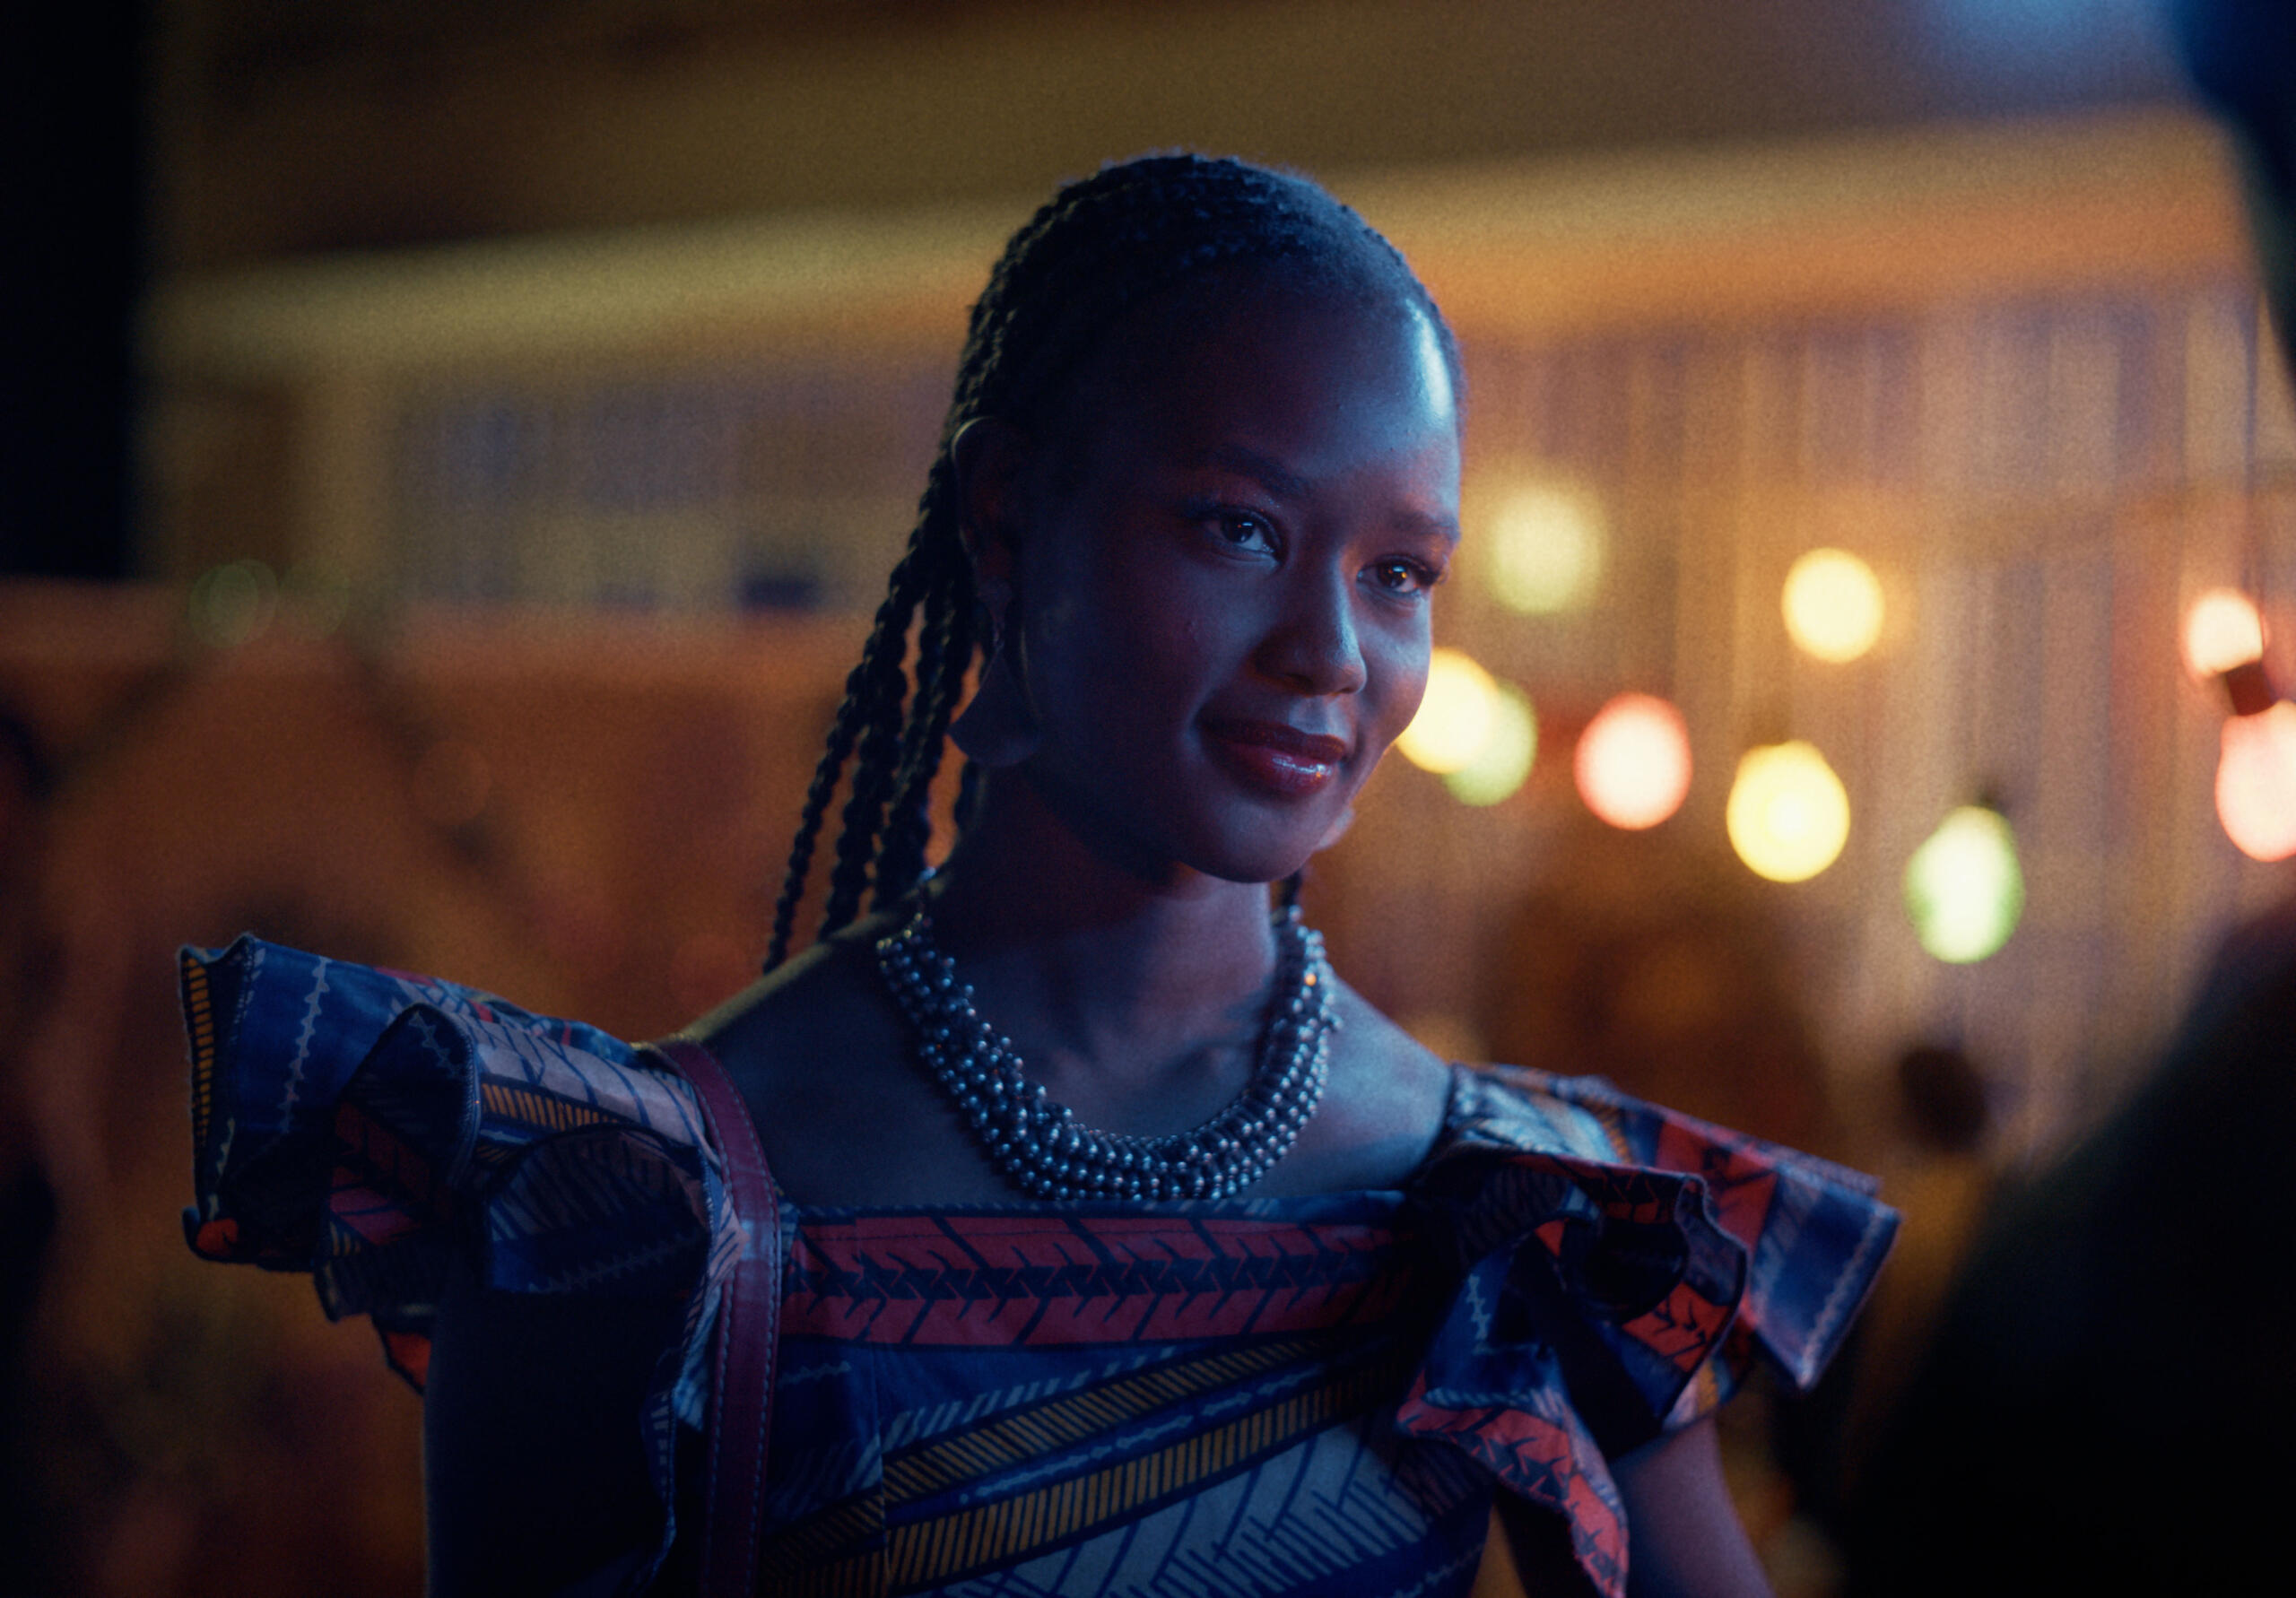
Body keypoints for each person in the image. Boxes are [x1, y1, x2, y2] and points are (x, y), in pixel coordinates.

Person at [180, 155, 1893, 1597]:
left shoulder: (1535, 1215)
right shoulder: (639, 1218)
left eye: (1398, 572)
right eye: (1239, 525)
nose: (1331, 651)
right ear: (1005, 516)